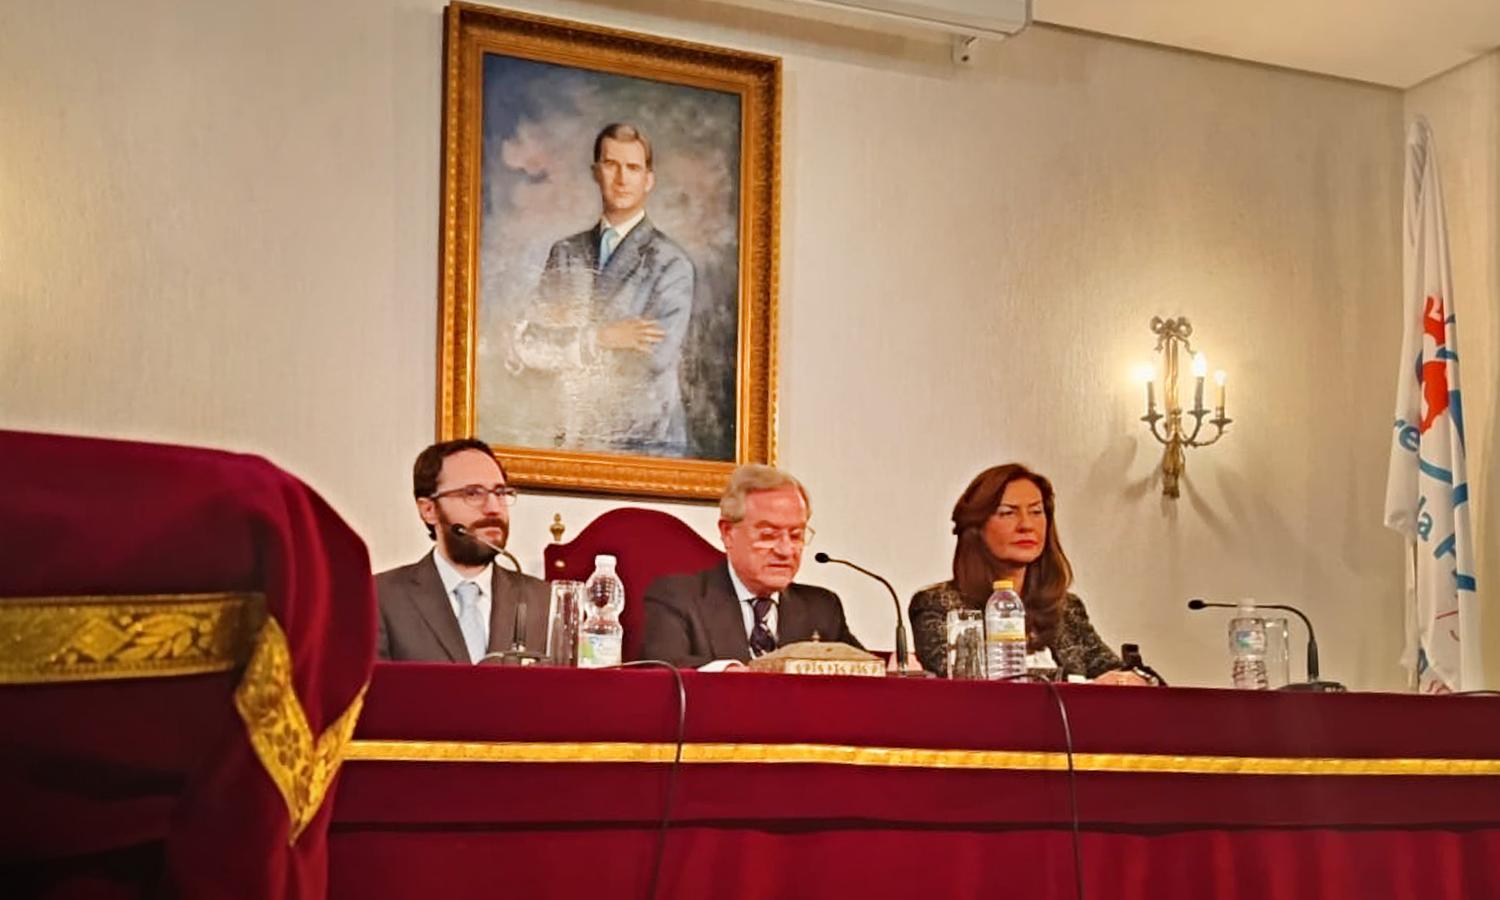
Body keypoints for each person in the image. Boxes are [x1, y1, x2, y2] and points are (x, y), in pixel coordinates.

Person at [506, 122, 695, 457]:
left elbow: (651, 361)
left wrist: (567, 342)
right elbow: (529, 344)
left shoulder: (670, 263)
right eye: (611, 165)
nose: (622, 179)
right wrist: (602, 337)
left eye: (633, 168)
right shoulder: (566, 252)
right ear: (596, 172)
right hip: (573, 441)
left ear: (648, 179)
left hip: (646, 448)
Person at [909, 464, 1149, 684]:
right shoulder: (938, 606)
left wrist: (1132, 680)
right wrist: (1087, 688)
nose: (1026, 525)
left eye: (1036, 511)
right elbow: (971, 691)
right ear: (976, 527)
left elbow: (1113, 670)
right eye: (1008, 513)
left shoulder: (1067, 608)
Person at [640, 464, 863, 668]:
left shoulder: (822, 608)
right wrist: (736, 674)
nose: (785, 551)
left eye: (796, 535)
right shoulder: (679, 598)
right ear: (728, 533)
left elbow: (868, 673)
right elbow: (662, 667)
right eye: (768, 535)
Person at [375, 439, 549, 663]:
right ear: (429, 510)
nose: (494, 508)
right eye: (473, 494)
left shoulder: (545, 601)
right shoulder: (380, 598)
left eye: (500, 492)